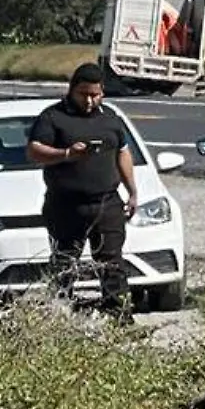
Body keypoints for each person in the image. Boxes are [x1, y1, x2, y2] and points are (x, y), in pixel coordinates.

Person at [26, 63, 138, 321]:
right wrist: (66, 154)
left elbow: (123, 152)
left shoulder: (110, 118)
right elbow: (34, 150)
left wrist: (132, 191)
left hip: (107, 203)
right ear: (72, 90)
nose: (89, 100)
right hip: (66, 205)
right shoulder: (53, 117)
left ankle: (119, 318)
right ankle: (59, 317)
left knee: (112, 263)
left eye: (95, 95)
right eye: (84, 94)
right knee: (65, 263)